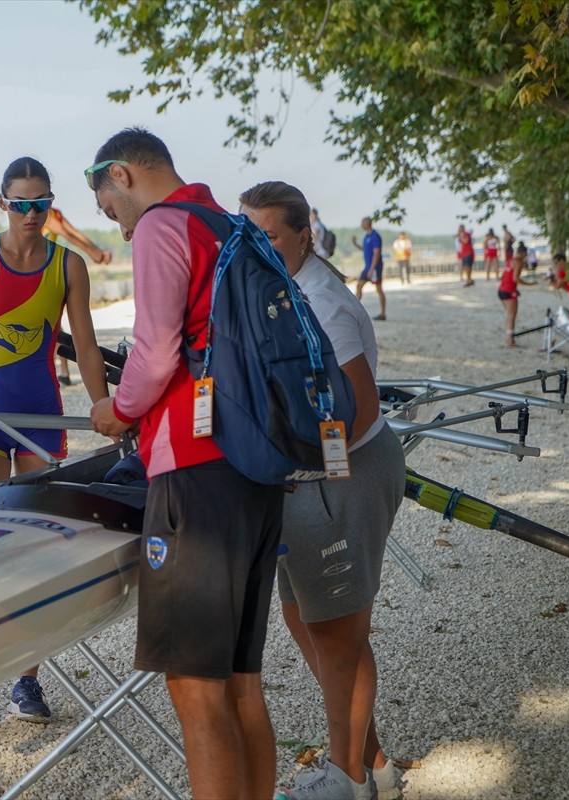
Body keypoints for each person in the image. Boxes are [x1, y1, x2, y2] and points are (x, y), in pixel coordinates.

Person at [86, 127, 283, 800]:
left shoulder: (161, 226)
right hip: (256, 465)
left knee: (193, 688)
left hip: (195, 471)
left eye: (111, 209)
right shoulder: (227, 223)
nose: (116, 226)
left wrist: (118, 409)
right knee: (241, 684)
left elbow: (156, 350)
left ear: (122, 175)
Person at [0, 156, 110, 745]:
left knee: (37, 554)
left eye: (41, 204)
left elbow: (83, 343)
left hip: (40, 418)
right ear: (3, 204)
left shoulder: (69, 265)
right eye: (21, 204)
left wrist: (106, 407)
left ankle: (26, 681)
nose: (31, 215)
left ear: (49, 205)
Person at [240, 181, 407, 800]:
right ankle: (376, 768)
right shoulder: (280, 289)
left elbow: (360, 410)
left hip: (344, 474)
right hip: (303, 481)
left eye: (272, 235)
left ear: (305, 232)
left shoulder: (323, 303)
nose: (260, 247)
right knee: (307, 621)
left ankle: (346, 779)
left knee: (337, 635)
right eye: (249, 235)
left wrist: (289, 455)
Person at [41, 204, 112, 385]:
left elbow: (75, 233)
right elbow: (67, 236)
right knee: (51, 324)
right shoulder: (45, 215)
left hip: (48, 270)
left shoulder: (55, 212)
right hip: (39, 272)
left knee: (54, 323)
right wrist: (92, 252)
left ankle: (63, 371)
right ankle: (60, 371)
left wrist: (96, 250)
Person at [499, 243, 535, 348]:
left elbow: (505, 276)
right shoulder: (519, 262)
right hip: (509, 291)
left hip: (502, 290)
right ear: (524, 253)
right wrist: (529, 284)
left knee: (509, 315)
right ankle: (510, 340)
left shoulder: (510, 260)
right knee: (512, 316)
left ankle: (509, 337)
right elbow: (515, 278)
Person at [351, 218, 387, 320]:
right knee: (359, 285)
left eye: (363, 222)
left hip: (374, 267)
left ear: (367, 223)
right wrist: (355, 244)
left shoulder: (375, 236)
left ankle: (383, 313)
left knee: (379, 288)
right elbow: (365, 249)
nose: (361, 224)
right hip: (367, 267)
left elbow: (377, 252)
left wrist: (372, 268)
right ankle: (355, 310)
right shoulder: (367, 236)